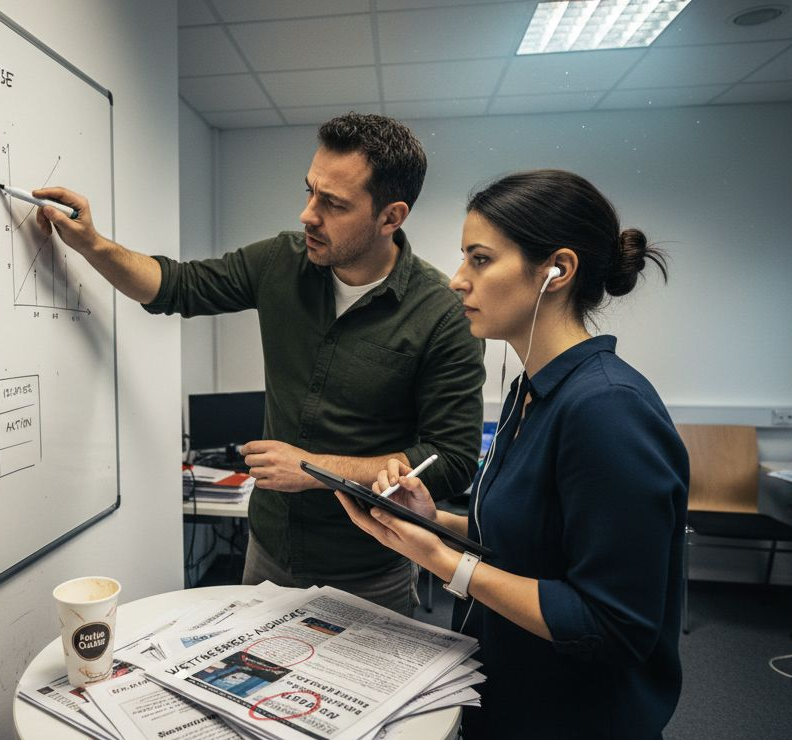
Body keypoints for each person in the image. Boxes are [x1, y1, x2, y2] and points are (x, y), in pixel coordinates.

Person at [34, 113, 486, 615]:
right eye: (311, 191)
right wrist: (92, 244)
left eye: (333, 204)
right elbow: (175, 285)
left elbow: (452, 460)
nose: (308, 215)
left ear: (390, 217)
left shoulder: (442, 312)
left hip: (372, 565)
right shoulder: (280, 262)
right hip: (268, 550)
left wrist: (315, 471)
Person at [336, 169, 688, 740]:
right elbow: (536, 544)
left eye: (480, 259)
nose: (457, 280)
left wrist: (442, 562)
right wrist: (438, 522)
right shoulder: (533, 391)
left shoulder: (607, 410)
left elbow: (610, 623)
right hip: (509, 712)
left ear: (558, 270)